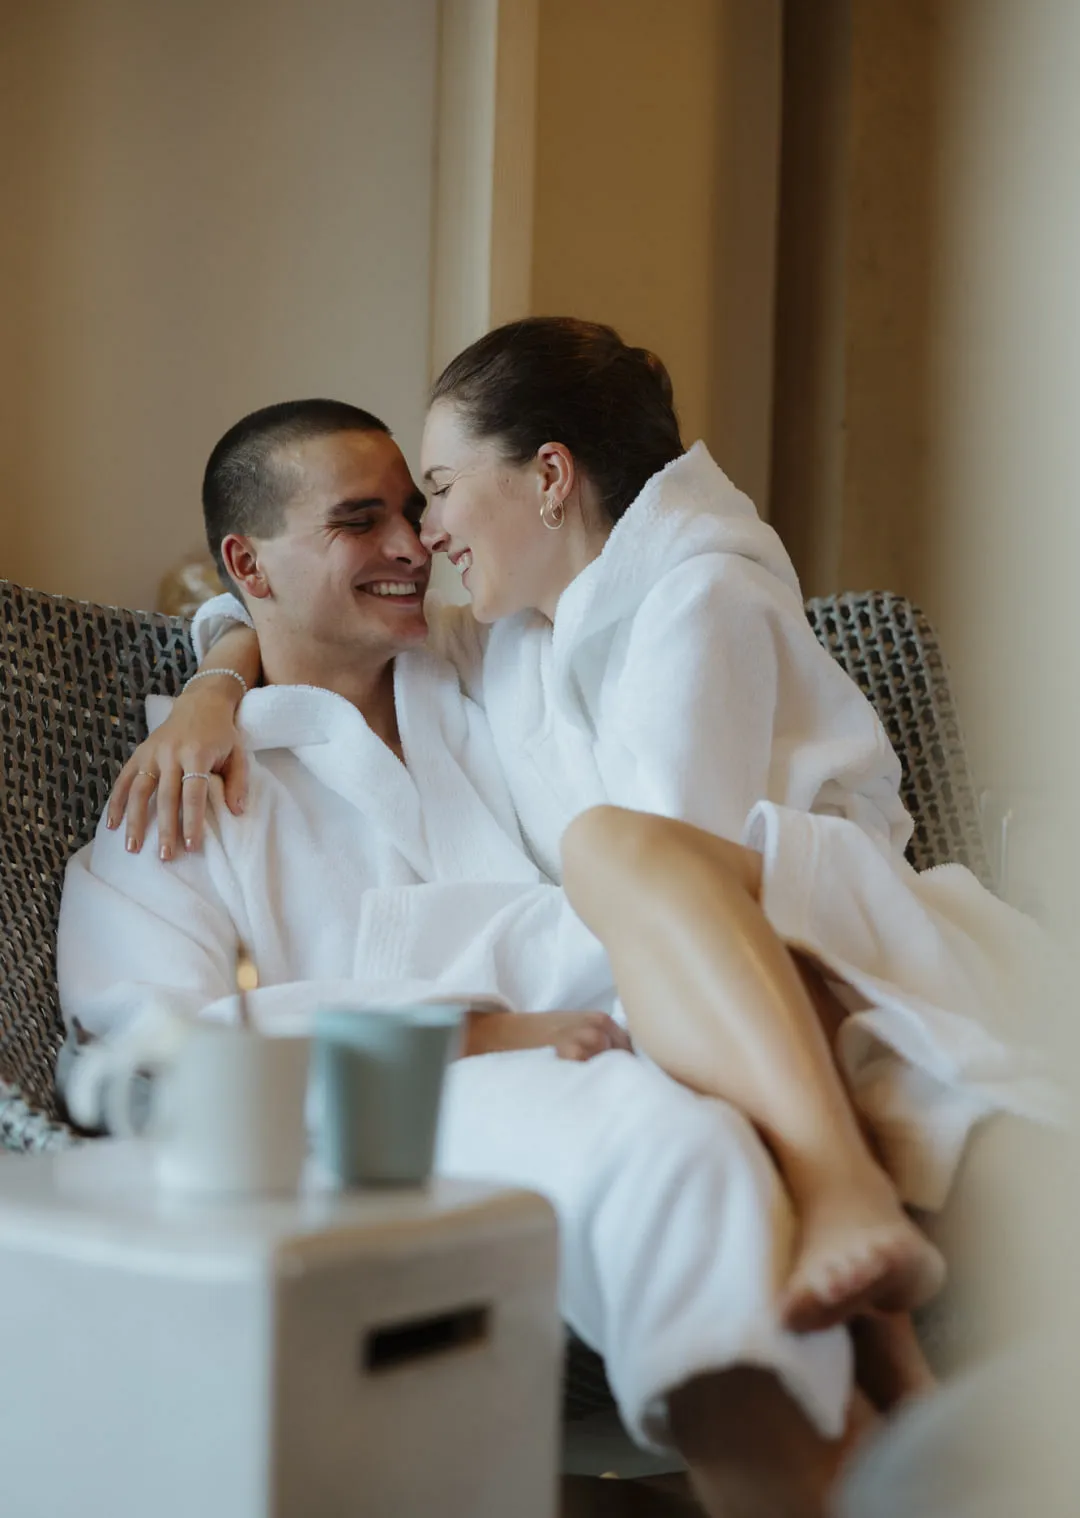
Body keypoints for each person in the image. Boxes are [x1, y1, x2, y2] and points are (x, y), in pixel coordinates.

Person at [121, 320, 1059, 1339]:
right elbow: (296, 613)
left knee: (610, 850)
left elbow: (664, 878)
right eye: (392, 510)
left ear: (550, 476)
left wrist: (472, 1008)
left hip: (799, 928)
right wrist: (211, 686)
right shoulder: (521, 631)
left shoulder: (699, 596)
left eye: (433, 488)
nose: (423, 537)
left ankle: (850, 1203)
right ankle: (893, 1428)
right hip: (687, 976)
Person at [66, 398, 871, 1518]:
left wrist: (221, 663)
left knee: (833, 1076)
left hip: (662, 1014)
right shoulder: (181, 799)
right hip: (406, 1108)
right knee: (674, 1147)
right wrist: (471, 1027)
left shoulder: (498, 669)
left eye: (413, 507)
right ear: (247, 560)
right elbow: (156, 1050)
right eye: (361, 520)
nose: (413, 545)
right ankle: (801, 1468)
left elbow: (659, 591)